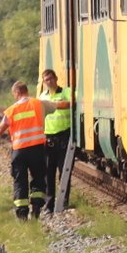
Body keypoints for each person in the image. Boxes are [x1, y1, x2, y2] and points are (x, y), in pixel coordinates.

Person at [0, 81, 68, 221]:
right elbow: (59, 106)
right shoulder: (39, 103)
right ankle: (36, 209)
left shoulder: (11, 110)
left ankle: (22, 214)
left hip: (19, 152)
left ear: (16, 93)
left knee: (19, 181)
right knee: (38, 178)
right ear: (26, 91)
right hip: (37, 149)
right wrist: (72, 103)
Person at [39, 69, 72, 213]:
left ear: (56, 78)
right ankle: (49, 203)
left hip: (63, 136)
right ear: (44, 82)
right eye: (47, 80)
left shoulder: (65, 92)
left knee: (64, 171)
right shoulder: (42, 96)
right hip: (48, 138)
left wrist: (53, 104)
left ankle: (64, 201)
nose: (49, 81)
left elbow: (71, 103)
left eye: (51, 78)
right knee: (48, 172)